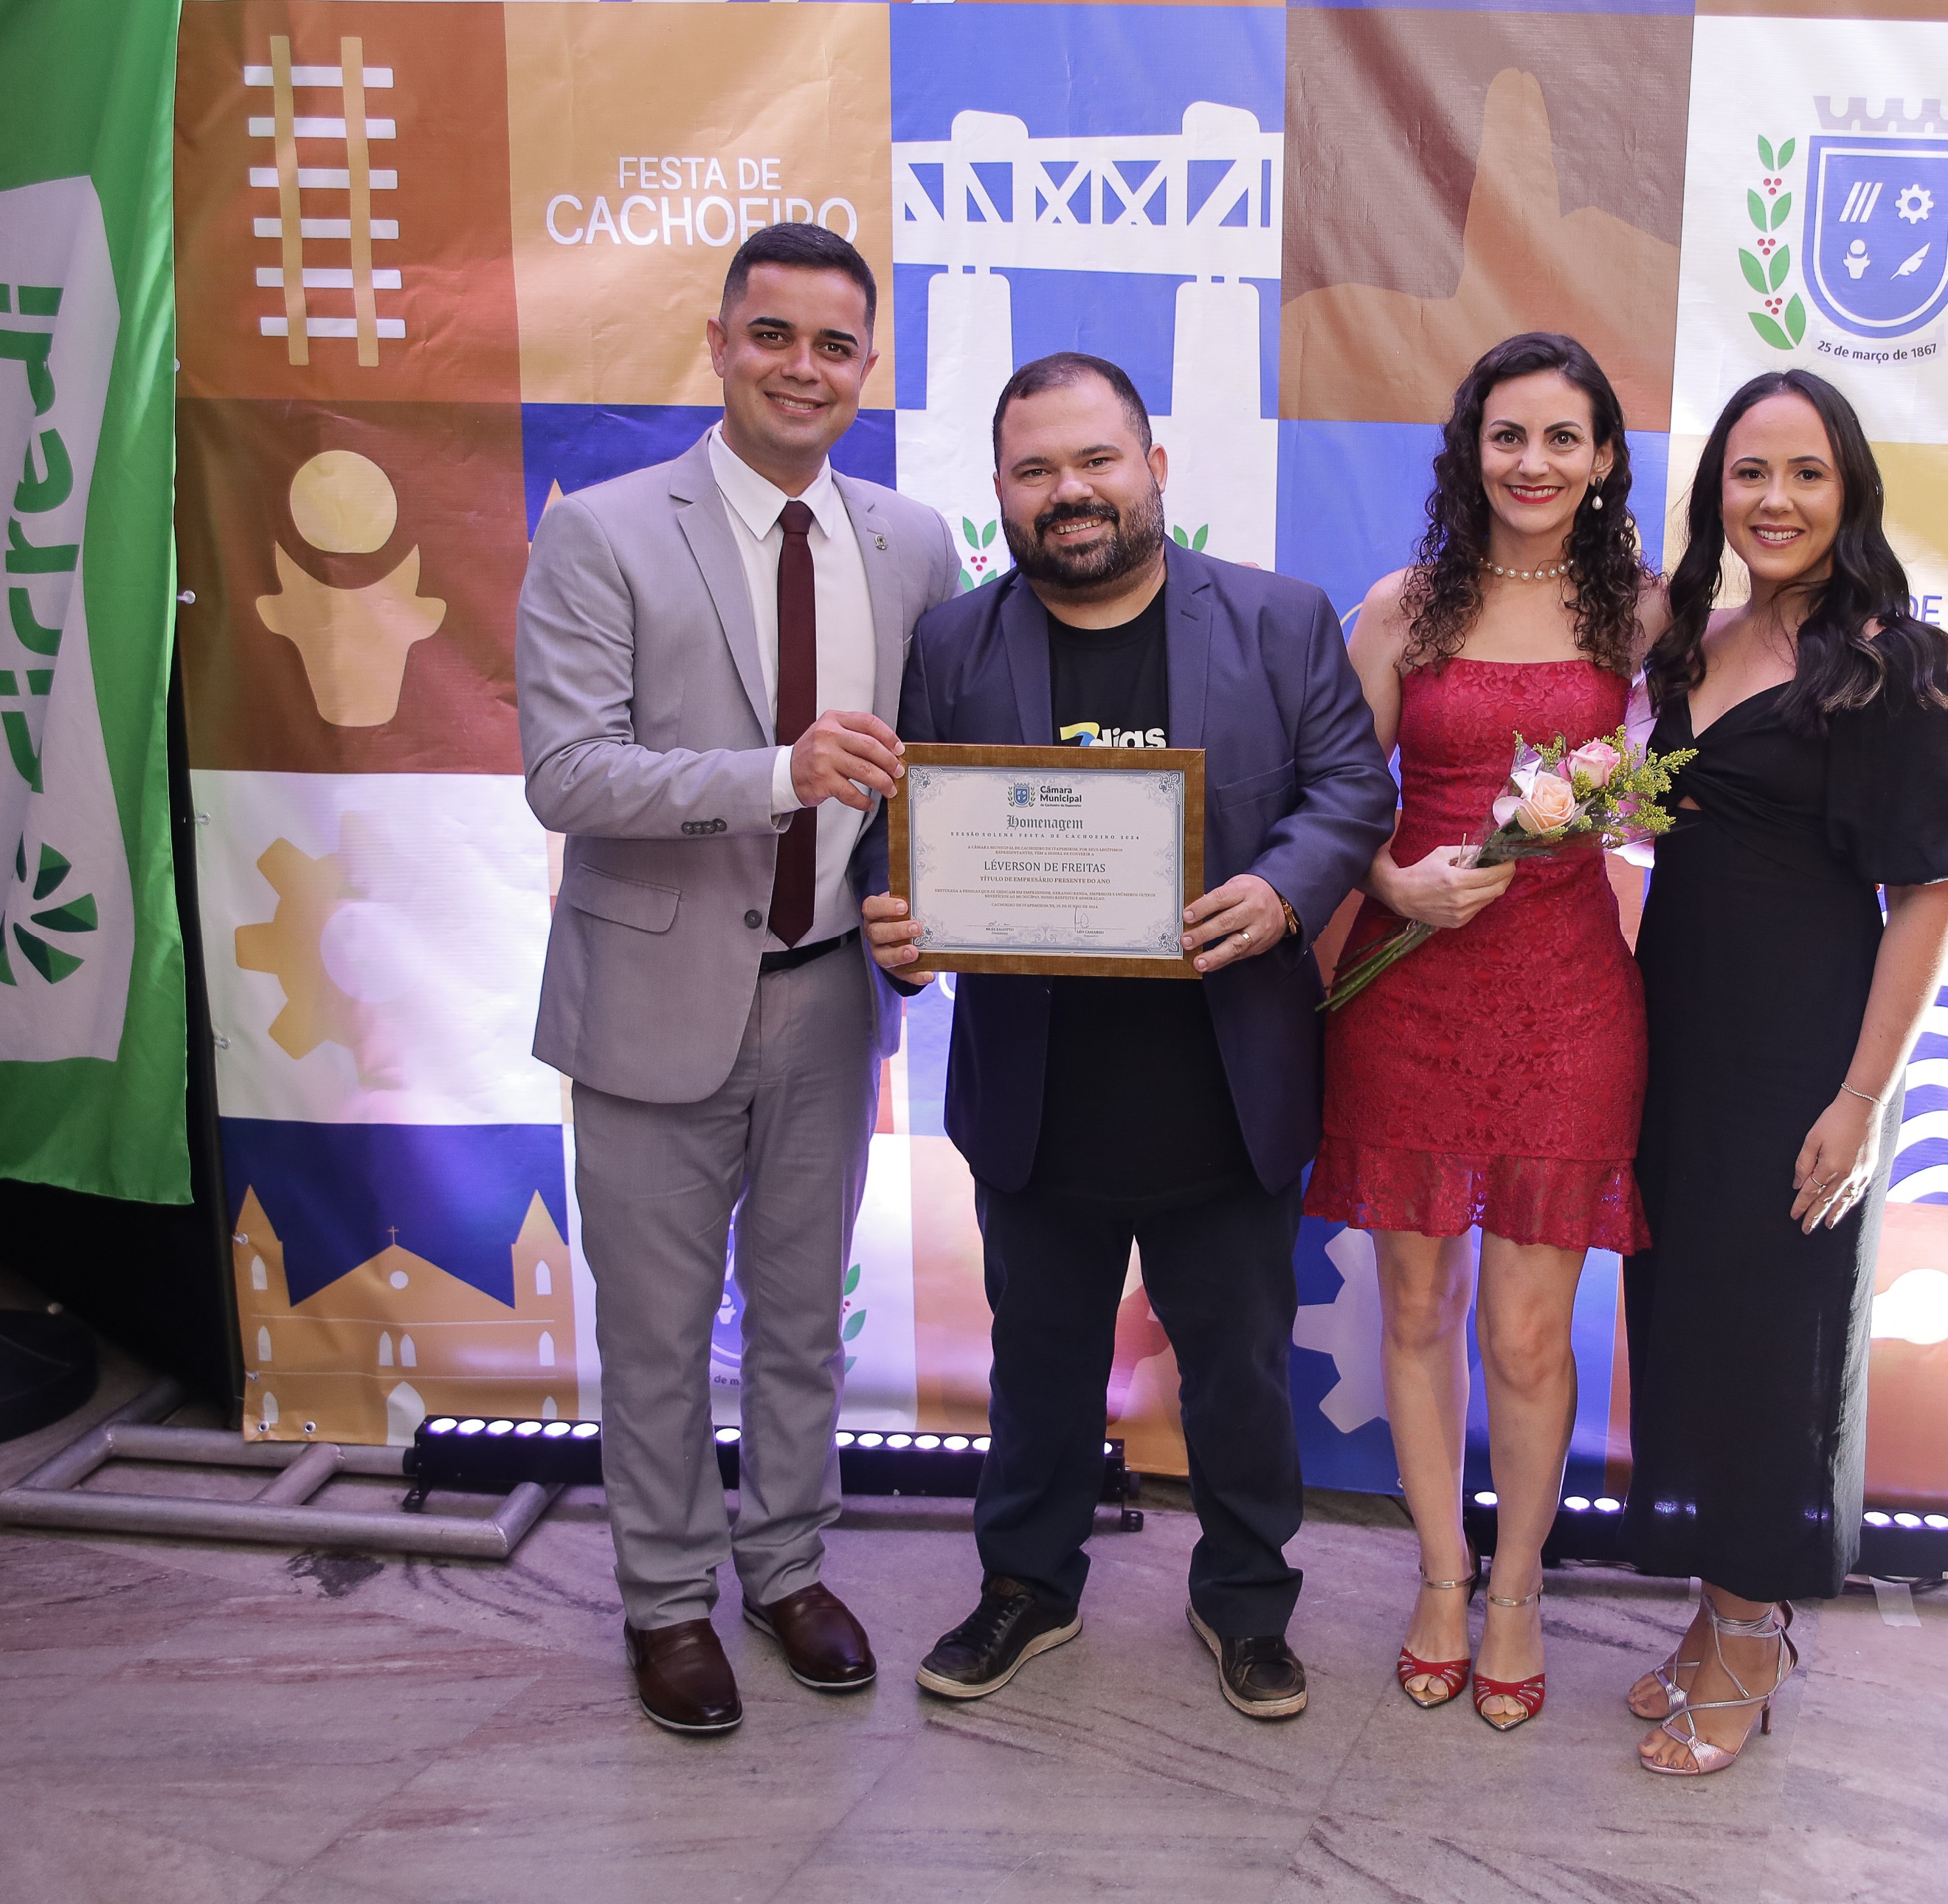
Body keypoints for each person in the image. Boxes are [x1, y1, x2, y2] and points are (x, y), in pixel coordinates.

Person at [863, 353, 1392, 1720]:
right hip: (1039, 1094)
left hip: (1227, 1088)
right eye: (1035, 469)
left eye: (1096, 459)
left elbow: (1352, 788)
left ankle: (1248, 1603)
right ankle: (1026, 1587)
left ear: (1152, 467)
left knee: (1242, 1378)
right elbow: (899, 830)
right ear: (999, 493)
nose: (1070, 491)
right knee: (1038, 1369)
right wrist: (895, 920)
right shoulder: (950, 645)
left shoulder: (1280, 620)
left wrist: (1283, 890)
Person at [516, 224, 959, 1735]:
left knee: (800, 1315)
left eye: (834, 345)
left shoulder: (914, 542)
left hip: (831, 994)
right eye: (773, 335)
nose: (802, 368)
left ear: (867, 368)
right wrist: (778, 773)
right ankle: (663, 1599)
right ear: (717, 344)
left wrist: (938, 901)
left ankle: (784, 1566)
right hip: (650, 995)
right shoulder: (604, 531)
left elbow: (935, 774)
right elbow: (566, 773)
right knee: (653, 1330)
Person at [1620, 369, 1948, 1776]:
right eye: (1749, 472)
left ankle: (1753, 1631)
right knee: (1695, 1329)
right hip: (1676, 1044)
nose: (1774, 500)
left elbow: (1928, 893)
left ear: (1851, 491)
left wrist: (1860, 1099)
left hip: (1801, 1060)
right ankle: (1719, 1608)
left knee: (1778, 1346)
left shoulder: (1898, 663)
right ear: (1716, 488)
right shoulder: (1696, 640)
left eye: (1806, 473)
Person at [1302, 333, 1662, 1731]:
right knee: (1413, 1305)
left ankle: (1516, 1587)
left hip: (1570, 1000)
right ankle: (1440, 1575)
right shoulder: (1401, 609)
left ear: (1606, 457)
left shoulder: (1645, 612)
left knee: (1524, 1332)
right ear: (1471, 450)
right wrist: (1392, 883)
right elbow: (1331, 798)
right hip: (1411, 988)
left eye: (1564, 437)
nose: (1534, 462)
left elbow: (1720, 753)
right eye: (1508, 435)